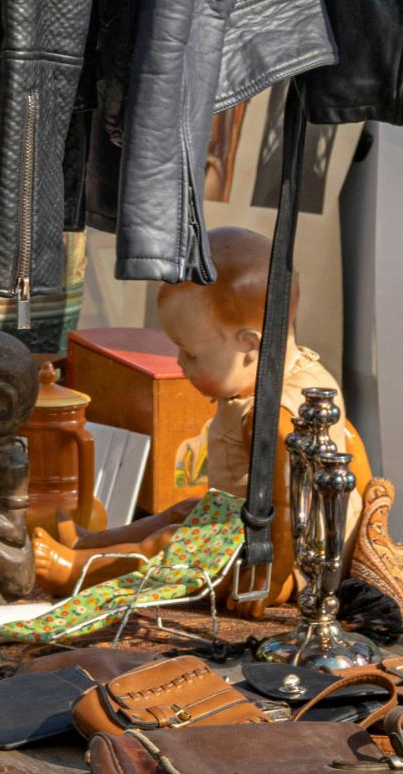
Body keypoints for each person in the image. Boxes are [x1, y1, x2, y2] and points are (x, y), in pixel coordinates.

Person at [31, 226, 371, 598]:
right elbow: (351, 443)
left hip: (284, 558)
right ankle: (90, 543)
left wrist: (269, 579)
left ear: (249, 345)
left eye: (191, 354)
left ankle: (76, 572)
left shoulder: (273, 417)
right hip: (250, 524)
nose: (180, 363)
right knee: (183, 511)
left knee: (169, 542)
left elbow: (288, 506)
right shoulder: (296, 380)